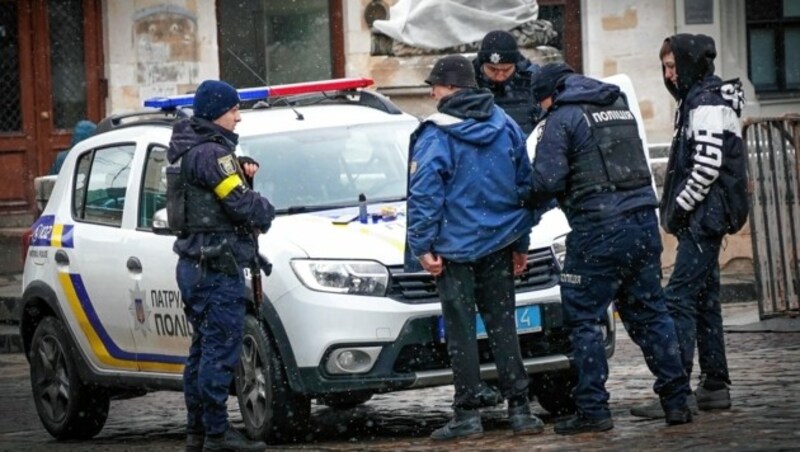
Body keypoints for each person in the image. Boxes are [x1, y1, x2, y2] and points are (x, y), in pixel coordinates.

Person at [526, 63, 692, 435]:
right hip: (643, 226)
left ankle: (592, 410)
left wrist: (521, 194)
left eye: (542, 101)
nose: (541, 109)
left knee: (583, 317)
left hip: (598, 229)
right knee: (651, 312)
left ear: (550, 94)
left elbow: (546, 180)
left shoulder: (563, 118)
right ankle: (677, 400)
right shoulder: (618, 107)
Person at [406, 54, 543, 441]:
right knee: (503, 326)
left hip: (455, 250)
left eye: (435, 85)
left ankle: (467, 413)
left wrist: (422, 245)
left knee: (461, 331)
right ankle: (520, 408)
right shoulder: (505, 124)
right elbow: (524, 188)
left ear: (449, 88)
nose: (432, 93)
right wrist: (521, 242)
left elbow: (425, 194)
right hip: (499, 245)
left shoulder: (437, 132)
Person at [630, 34, 747, 420]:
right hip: (705, 217)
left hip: (704, 218)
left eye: (672, 66)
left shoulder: (705, 102)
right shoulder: (698, 100)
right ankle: (714, 385)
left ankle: (675, 389)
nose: (667, 74)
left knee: (678, 297)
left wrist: (679, 209)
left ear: (689, 63)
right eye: (664, 66)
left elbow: (706, 167)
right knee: (704, 300)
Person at [167, 79, 274, 452]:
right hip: (215, 266)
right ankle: (217, 434)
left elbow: (213, 197)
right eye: (233, 111)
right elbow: (240, 204)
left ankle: (198, 432)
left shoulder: (188, 150)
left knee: (202, 351)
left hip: (196, 264)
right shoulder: (212, 155)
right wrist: (264, 206)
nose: (238, 118)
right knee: (219, 350)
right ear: (216, 113)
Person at [472, 30, 542, 135]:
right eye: (493, 70)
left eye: (506, 70)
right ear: (482, 65)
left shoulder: (533, 82)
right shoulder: (467, 84)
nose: (500, 77)